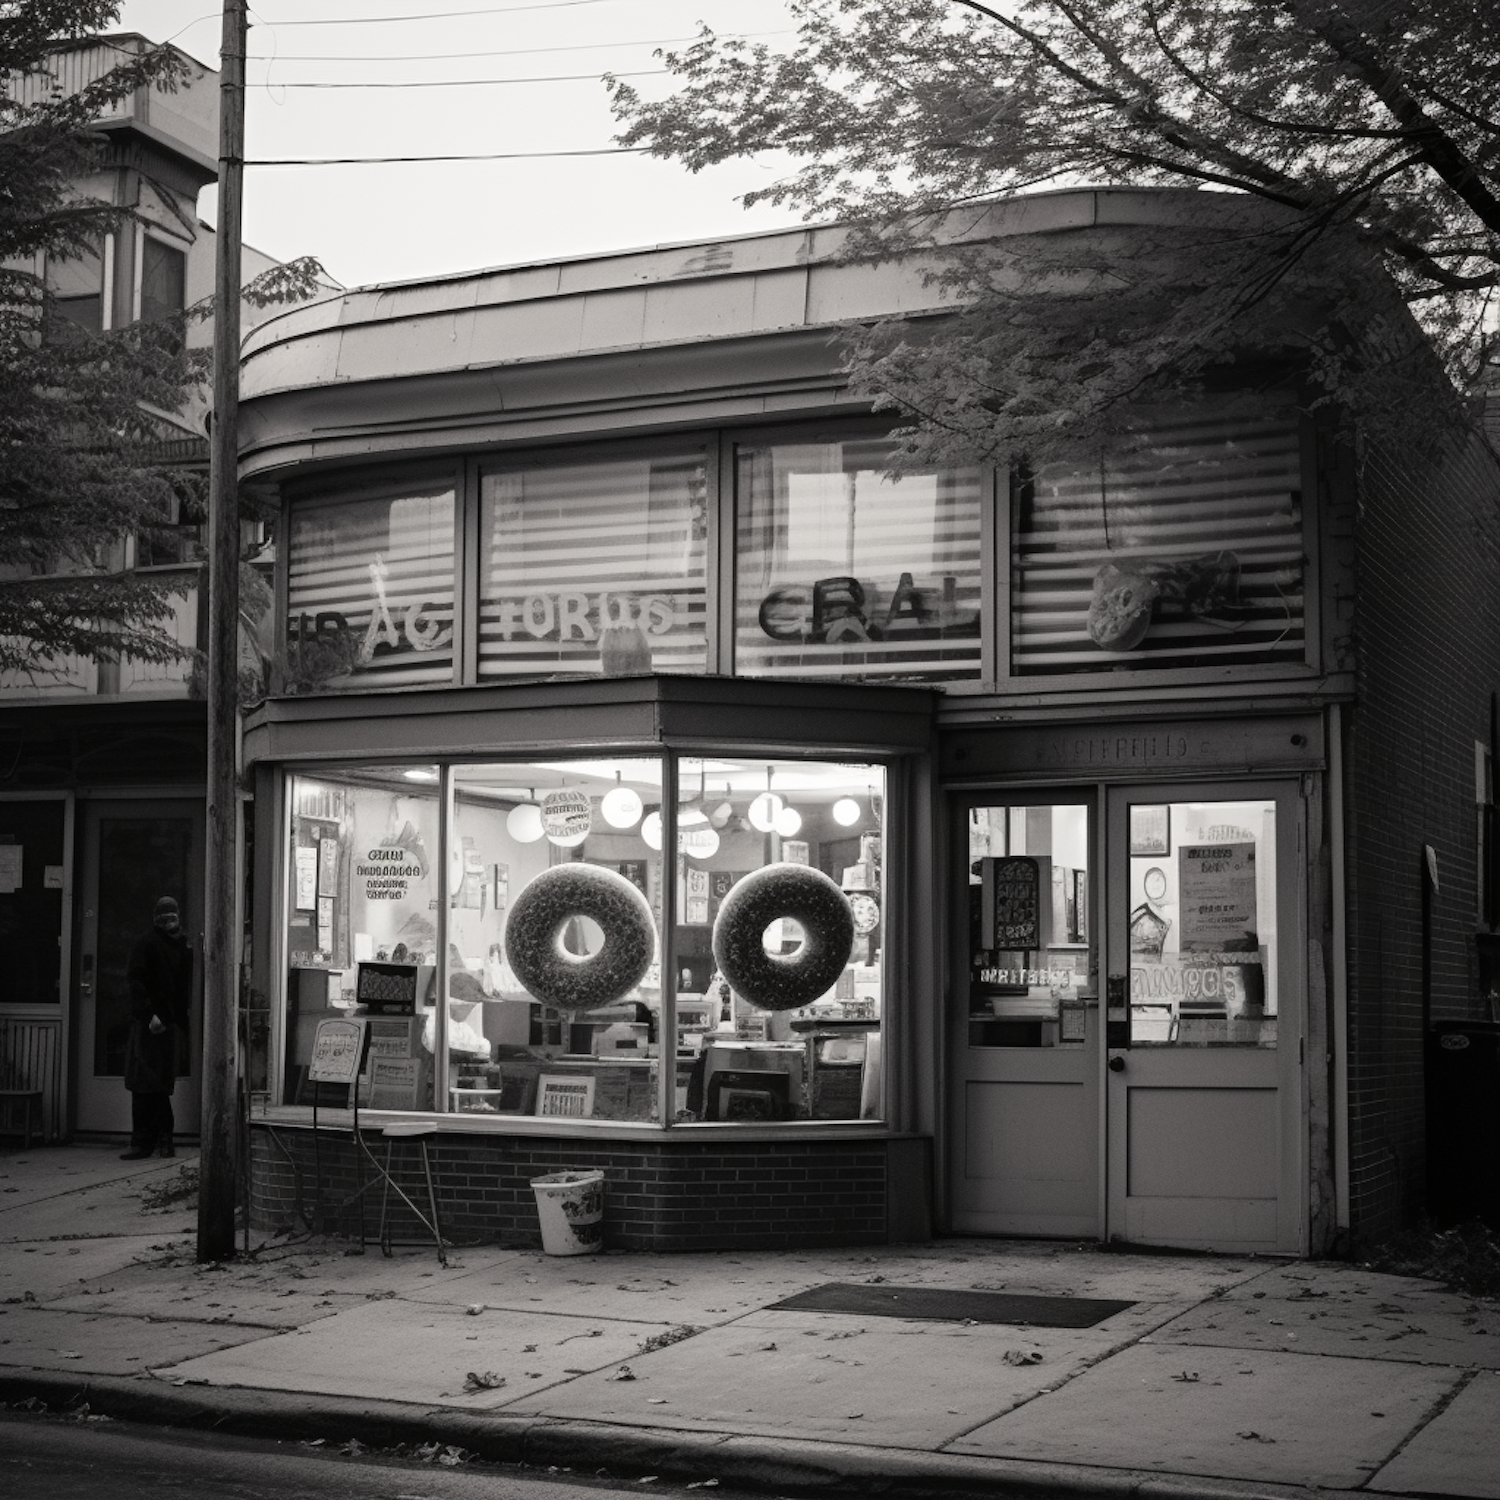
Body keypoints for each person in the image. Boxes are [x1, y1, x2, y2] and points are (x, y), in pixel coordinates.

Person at [120, 896, 193, 1161]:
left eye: (170, 917)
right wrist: (156, 1015)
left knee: (146, 1085)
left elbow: (137, 982)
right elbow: (146, 984)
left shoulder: (151, 944)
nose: (169, 922)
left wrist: (150, 1014)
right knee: (156, 1085)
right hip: (163, 1022)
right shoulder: (178, 947)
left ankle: (146, 1142)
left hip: (156, 1023)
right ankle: (162, 1141)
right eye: (167, 918)